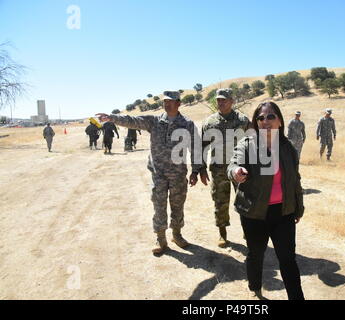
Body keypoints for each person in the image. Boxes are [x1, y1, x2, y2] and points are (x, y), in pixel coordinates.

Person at [96, 91, 206, 254]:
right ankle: (161, 239)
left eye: (170, 101)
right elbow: (132, 121)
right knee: (159, 205)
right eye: (165, 102)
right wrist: (112, 117)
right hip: (159, 173)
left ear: (178, 103)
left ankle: (177, 235)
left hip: (178, 174)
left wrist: (196, 171)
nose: (166, 104)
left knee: (177, 206)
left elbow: (196, 147)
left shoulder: (187, 124)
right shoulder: (154, 121)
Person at [227, 101, 305, 300]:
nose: (266, 121)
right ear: (256, 123)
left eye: (271, 116)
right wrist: (236, 172)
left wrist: (298, 208)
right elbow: (234, 163)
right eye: (260, 118)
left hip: (283, 213)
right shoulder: (247, 144)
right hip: (254, 213)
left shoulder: (288, 148)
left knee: (288, 259)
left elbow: (295, 179)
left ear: (279, 121)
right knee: (256, 254)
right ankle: (255, 288)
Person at [201, 88, 250, 247]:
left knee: (245, 200)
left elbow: (254, 142)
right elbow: (202, 147)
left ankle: (248, 231)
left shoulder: (243, 120)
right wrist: (200, 168)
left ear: (232, 101)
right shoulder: (209, 123)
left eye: (224, 100)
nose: (221, 103)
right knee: (220, 202)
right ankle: (222, 234)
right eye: (218, 100)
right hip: (218, 169)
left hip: (240, 168)